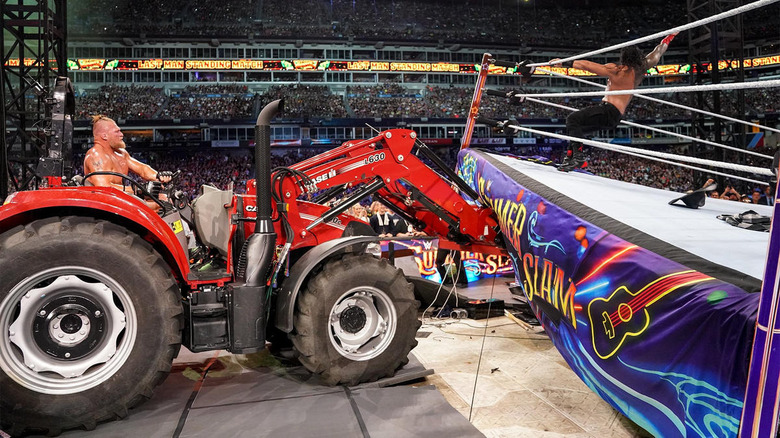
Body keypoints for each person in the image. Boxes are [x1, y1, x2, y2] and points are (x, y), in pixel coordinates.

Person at [552, 33, 678, 172]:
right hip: (616, 117)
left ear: (623, 58)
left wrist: (565, 62)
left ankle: (579, 158)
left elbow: (587, 65)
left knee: (572, 119)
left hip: (608, 110)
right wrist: (668, 38)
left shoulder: (617, 70)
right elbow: (657, 52)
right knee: (576, 130)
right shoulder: (641, 70)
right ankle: (570, 159)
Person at [84, 114, 173, 211]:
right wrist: (137, 189)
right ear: (104, 136)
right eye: (117, 131)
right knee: (160, 204)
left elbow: (142, 169)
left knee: (165, 198)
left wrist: (159, 176)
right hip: (108, 206)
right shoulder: (95, 155)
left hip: (121, 199)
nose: (121, 134)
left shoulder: (121, 153)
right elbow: (104, 188)